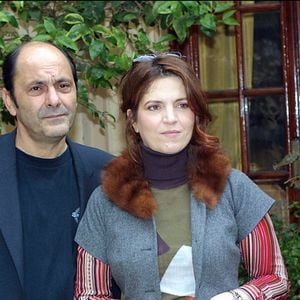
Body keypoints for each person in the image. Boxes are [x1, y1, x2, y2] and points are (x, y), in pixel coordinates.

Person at [74, 53, 290, 299]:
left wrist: (237, 297)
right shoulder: (107, 200)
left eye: (182, 104)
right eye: (154, 107)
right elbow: (89, 294)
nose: (171, 118)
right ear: (133, 120)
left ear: (195, 113)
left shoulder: (232, 187)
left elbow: (275, 278)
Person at [0, 41, 120, 300]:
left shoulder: (110, 175)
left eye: (63, 86)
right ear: (9, 101)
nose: (54, 100)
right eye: (36, 88)